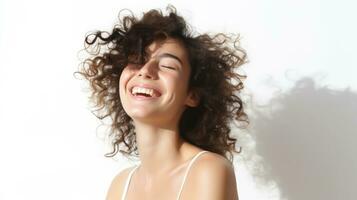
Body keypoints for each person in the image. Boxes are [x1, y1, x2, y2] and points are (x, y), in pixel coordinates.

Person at [76, 5, 248, 200]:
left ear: (192, 95)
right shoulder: (120, 185)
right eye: (137, 60)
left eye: (167, 65)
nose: (145, 70)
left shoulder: (208, 170)